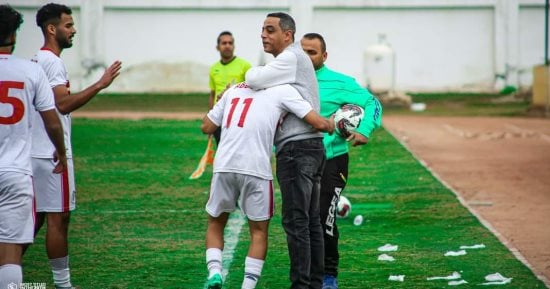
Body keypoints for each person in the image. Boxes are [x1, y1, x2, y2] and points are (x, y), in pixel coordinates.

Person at [201, 82, 334, 289]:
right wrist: (332, 123)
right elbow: (316, 122)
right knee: (259, 231)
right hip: (256, 168)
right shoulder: (282, 90)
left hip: (224, 166)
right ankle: (247, 286)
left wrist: (221, 101)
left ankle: (215, 271)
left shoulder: (233, 89)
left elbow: (206, 127)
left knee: (216, 223)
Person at [30, 3, 121, 289]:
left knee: (34, 220)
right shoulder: (53, 62)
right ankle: (63, 285)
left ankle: (8, 277)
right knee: (60, 218)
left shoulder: (36, 59)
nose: (74, 30)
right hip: (52, 153)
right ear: (52, 29)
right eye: (69, 25)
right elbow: (63, 104)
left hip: (33, 151)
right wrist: (100, 84)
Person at [245, 12, 325, 289]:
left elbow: (254, 79)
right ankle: (314, 283)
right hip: (312, 148)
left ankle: (301, 285)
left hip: (297, 149)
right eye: (262, 30)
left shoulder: (289, 58)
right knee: (310, 222)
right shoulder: (293, 61)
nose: (263, 35)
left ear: (288, 35)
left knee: (296, 222)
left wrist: (248, 77)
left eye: (270, 30)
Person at [300, 33, 383, 289]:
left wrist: (365, 130)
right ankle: (304, 276)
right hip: (298, 161)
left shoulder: (341, 82)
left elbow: (373, 103)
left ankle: (328, 276)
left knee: (324, 216)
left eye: (312, 52)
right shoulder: (287, 80)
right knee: (301, 220)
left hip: (332, 161)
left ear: (324, 56)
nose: (306, 56)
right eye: (302, 51)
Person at [0, 5, 67, 287]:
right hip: (15, 171)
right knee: (10, 251)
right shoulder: (30, 70)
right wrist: (62, 153)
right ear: (14, 35)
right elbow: (53, 122)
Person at [208, 31, 251, 144]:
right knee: (221, 150)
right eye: (224, 43)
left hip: (237, 115)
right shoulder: (213, 68)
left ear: (234, 46)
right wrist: (211, 117)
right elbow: (212, 94)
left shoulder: (245, 65)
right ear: (217, 47)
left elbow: (252, 90)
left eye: (230, 43)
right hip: (219, 116)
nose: (227, 46)